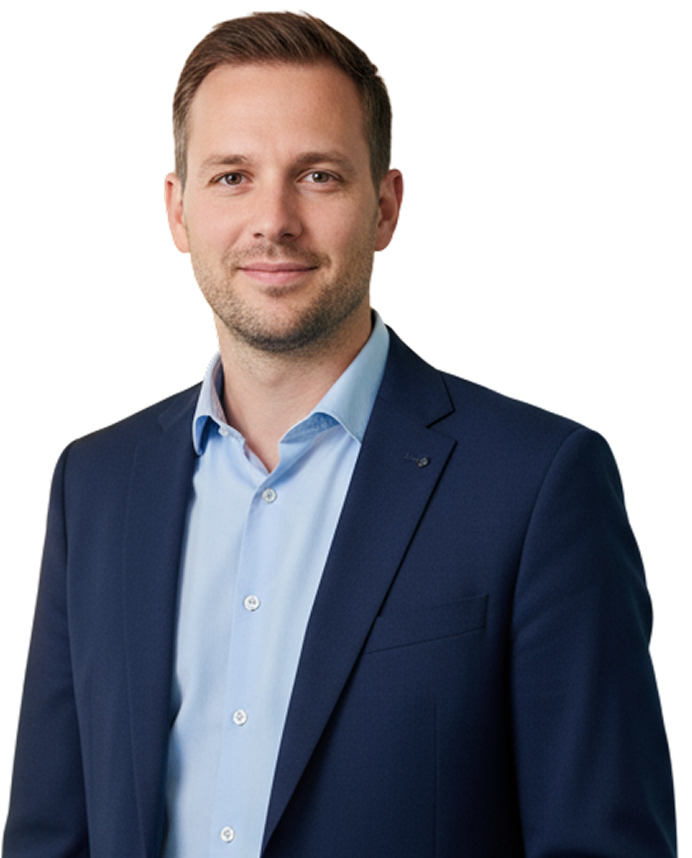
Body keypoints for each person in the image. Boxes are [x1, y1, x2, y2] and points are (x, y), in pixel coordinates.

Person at [3, 10, 677, 858]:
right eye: (232, 177)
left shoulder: (540, 483)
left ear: (386, 208)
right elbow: (48, 837)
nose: (274, 220)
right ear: (176, 211)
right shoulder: (96, 483)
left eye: (318, 176)